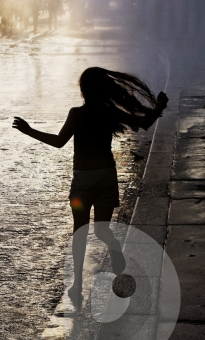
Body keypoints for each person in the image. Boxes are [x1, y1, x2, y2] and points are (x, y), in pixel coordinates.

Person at [13, 67, 168, 304]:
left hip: (83, 180)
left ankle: (77, 285)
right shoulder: (110, 112)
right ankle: (114, 250)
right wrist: (159, 108)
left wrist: (29, 130)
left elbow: (58, 142)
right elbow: (144, 123)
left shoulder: (77, 114)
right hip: (106, 176)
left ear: (83, 90)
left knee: (80, 233)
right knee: (102, 230)